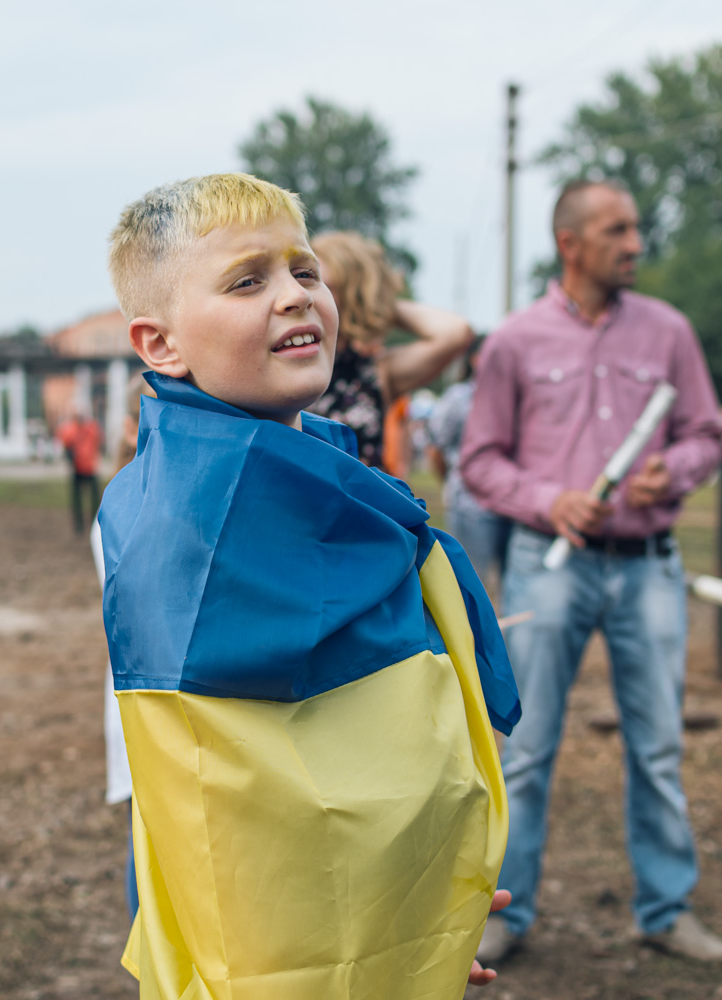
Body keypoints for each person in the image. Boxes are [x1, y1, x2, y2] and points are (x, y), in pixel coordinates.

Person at [99, 172, 521, 995]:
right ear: (161, 345)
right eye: (246, 282)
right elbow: (241, 811)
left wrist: (409, 921)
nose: (294, 295)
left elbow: (361, 756)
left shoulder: (329, 471)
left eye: (304, 270)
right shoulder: (185, 521)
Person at [461, 179, 722, 966]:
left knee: (657, 747)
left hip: (648, 566)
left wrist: (674, 471)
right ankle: (505, 912)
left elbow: (706, 435)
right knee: (526, 749)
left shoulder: (669, 331)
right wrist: (550, 501)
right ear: (570, 243)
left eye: (636, 228)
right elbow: (480, 459)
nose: (636, 243)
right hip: (549, 565)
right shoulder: (514, 342)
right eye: (618, 230)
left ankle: (666, 909)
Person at [306, 231, 474, 467]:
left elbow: (456, 331)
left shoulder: (374, 371)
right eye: (304, 279)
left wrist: (376, 303)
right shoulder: (282, 358)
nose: (309, 296)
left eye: (326, 286)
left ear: (352, 294)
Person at [427, 340, 508, 589]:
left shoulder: (512, 397)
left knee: (512, 583)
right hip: (469, 504)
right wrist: (450, 481)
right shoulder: (458, 398)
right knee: (469, 580)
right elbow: (436, 447)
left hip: (511, 506)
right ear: (474, 359)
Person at [56, 410, 102, 534]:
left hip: (87, 467)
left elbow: (67, 445)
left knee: (90, 498)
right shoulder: (88, 429)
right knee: (81, 498)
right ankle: (82, 524)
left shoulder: (84, 429)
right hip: (81, 467)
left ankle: (89, 523)